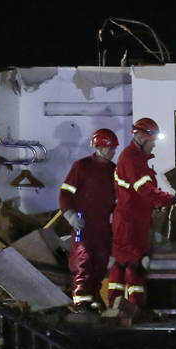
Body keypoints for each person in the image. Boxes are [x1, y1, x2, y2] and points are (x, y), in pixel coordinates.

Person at [108, 117, 176, 314]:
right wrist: (175, 200)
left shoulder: (136, 160)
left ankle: (117, 307)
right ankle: (134, 308)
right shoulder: (131, 160)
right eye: (152, 141)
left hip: (133, 219)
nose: (154, 145)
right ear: (142, 138)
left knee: (122, 263)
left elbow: (140, 194)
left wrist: (155, 206)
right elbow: (145, 190)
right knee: (133, 264)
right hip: (129, 221)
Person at [60, 128, 118, 311]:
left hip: (103, 226)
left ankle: (93, 299)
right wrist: (70, 215)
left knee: (100, 263)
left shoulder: (113, 170)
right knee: (82, 260)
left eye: (114, 149)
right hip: (81, 223)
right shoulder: (81, 166)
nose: (112, 152)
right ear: (98, 147)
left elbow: (118, 198)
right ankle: (81, 302)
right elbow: (66, 193)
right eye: (109, 149)